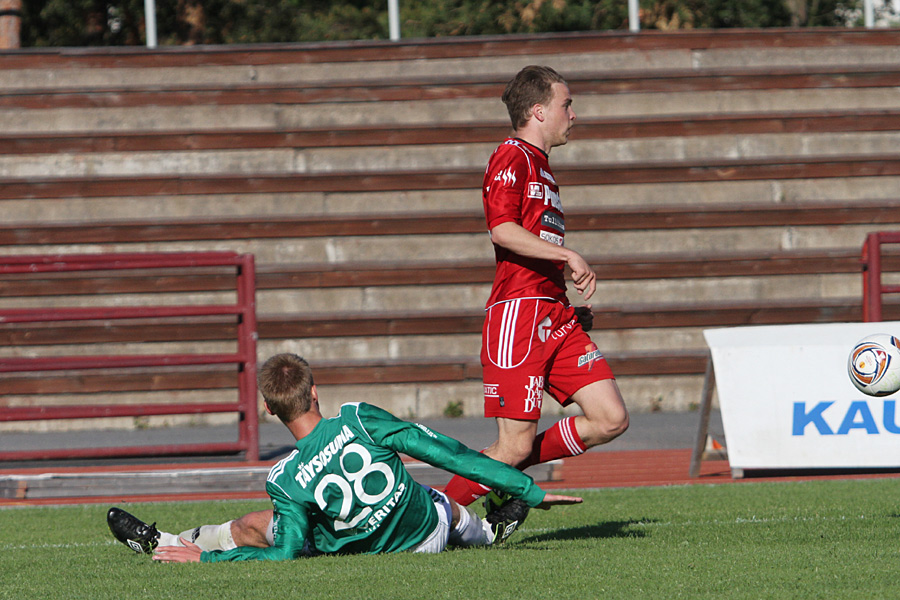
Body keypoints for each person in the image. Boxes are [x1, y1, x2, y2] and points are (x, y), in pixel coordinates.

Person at [108, 353, 581, 563]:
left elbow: (289, 554)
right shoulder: (360, 418)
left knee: (255, 526)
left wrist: (208, 565)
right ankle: (491, 530)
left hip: (367, 545)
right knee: (436, 500)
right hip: (426, 532)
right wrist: (529, 489)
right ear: (316, 391)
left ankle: (171, 544)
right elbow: (450, 453)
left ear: (269, 409)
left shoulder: (286, 477)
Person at [444, 65, 630, 506]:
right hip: (519, 315)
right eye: (566, 104)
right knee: (512, 445)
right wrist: (568, 255)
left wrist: (562, 300)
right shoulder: (512, 155)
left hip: (554, 314)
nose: (573, 114)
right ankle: (428, 519)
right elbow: (502, 230)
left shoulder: (542, 168)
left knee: (610, 418)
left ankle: (507, 474)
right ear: (538, 111)